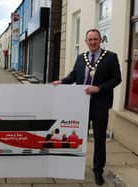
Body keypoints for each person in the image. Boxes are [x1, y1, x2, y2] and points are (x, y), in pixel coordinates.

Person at [51, 29, 121, 186]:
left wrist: (99, 88)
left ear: (100, 40)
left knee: (99, 138)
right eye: (90, 39)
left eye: (96, 39)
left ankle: (97, 171)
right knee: (75, 136)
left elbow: (117, 79)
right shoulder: (81, 58)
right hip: (81, 104)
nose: (93, 42)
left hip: (100, 105)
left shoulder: (110, 57)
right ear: (86, 41)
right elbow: (73, 76)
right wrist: (61, 82)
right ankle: (73, 166)